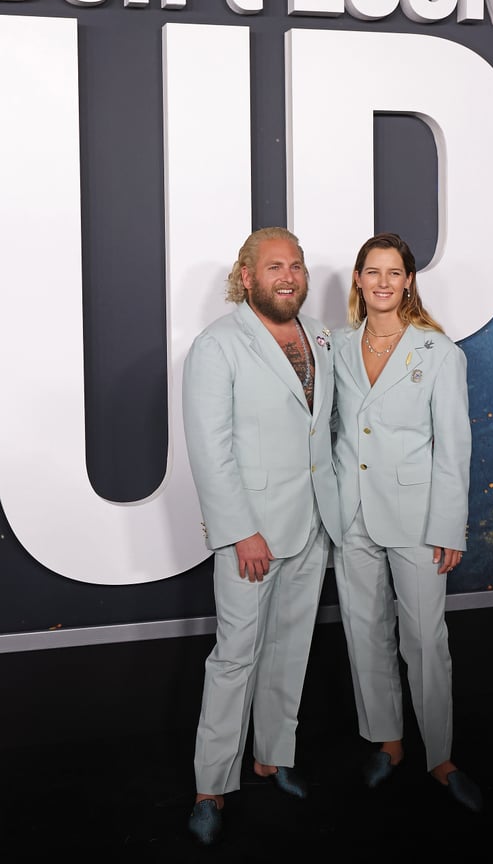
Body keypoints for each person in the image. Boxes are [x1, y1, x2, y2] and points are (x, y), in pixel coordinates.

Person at [182, 226, 342, 846]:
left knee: (289, 651)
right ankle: (210, 787)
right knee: (235, 658)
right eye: (275, 265)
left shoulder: (319, 337)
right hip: (252, 535)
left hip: (311, 525)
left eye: (297, 265)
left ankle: (271, 758)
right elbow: (209, 449)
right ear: (246, 276)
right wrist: (239, 530)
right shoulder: (216, 346)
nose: (290, 275)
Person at [331, 232, 483, 812]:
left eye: (394, 273)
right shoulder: (339, 349)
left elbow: (454, 446)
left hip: (419, 518)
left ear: (409, 281)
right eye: (373, 272)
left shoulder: (438, 353)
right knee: (364, 634)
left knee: (424, 640)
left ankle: (439, 756)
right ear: (359, 280)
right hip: (353, 516)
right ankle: (387, 743)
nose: (383, 283)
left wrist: (450, 526)